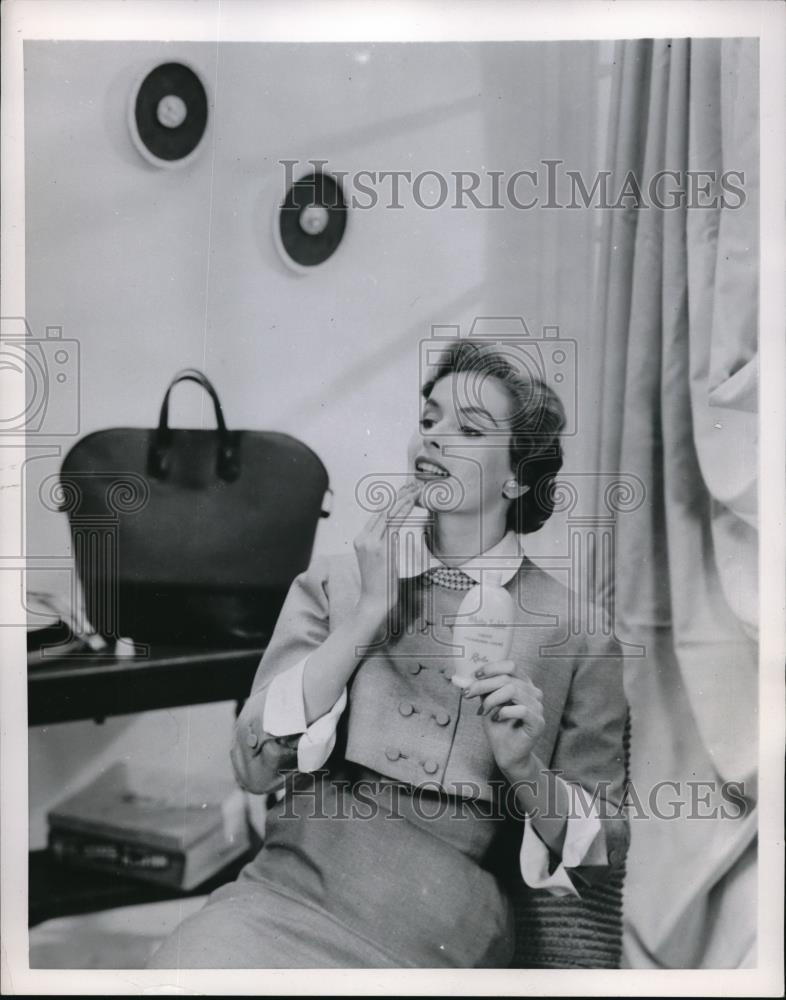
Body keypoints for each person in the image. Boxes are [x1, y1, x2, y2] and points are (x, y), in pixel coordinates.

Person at [148, 339, 629, 969]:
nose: (433, 437)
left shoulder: (581, 632)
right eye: (428, 419)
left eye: (468, 428)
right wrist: (366, 615)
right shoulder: (335, 584)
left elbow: (601, 858)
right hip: (280, 897)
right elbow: (252, 765)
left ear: (518, 473)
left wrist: (525, 768)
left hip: (439, 933)